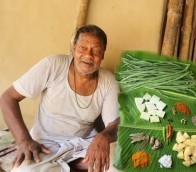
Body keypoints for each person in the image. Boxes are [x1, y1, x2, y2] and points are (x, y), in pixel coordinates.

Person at [0, 25, 120, 172]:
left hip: (82, 146)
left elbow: (114, 123)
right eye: (83, 48)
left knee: (117, 167)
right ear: (73, 49)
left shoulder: (108, 81)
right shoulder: (53, 65)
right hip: (44, 146)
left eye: (96, 51)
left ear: (102, 55)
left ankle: (74, 165)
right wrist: (24, 140)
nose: (88, 55)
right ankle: (70, 166)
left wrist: (104, 137)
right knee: (22, 170)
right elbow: (7, 98)